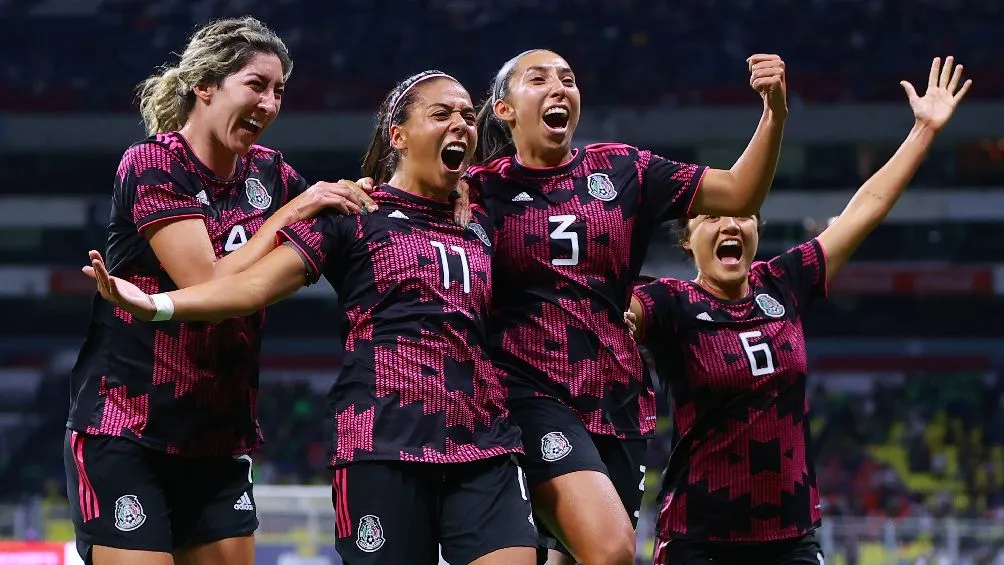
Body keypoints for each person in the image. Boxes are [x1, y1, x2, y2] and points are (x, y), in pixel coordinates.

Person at [79, 70, 539, 565]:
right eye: (442, 114)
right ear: (397, 135)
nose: (461, 125)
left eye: (469, 117)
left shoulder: (479, 215)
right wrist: (157, 305)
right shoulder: (351, 218)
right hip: (377, 440)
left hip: (482, 439)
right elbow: (245, 288)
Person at [627, 57, 970, 565]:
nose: (731, 226)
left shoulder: (785, 281)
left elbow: (866, 205)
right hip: (699, 543)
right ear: (687, 238)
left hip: (792, 540)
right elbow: (610, 311)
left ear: (758, 232)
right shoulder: (670, 304)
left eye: (744, 215)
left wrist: (922, 131)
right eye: (713, 217)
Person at [63, 16, 376, 565]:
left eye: (279, 91)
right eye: (256, 85)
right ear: (204, 85)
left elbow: (345, 236)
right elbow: (203, 283)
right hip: (125, 432)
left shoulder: (272, 174)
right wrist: (296, 211)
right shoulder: (154, 164)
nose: (271, 103)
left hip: (219, 440)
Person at [463, 48, 789, 565]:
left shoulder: (623, 169)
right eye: (539, 79)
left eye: (568, 79)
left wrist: (774, 113)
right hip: (530, 393)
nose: (558, 88)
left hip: (618, 398)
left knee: (575, 558)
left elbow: (739, 193)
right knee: (612, 550)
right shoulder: (479, 189)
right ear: (504, 108)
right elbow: (410, 201)